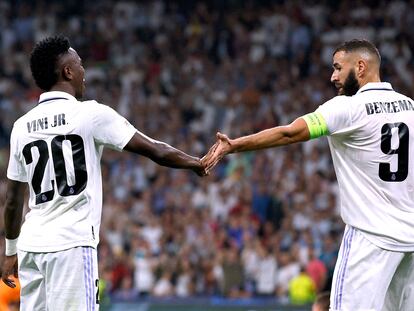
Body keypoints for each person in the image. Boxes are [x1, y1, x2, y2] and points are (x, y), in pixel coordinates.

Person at [1, 35, 210, 310]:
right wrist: (196, 162)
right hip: (71, 245)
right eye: (80, 64)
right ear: (68, 71)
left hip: (31, 247)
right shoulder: (90, 114)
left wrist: (10, 253)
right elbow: (154, 150)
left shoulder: (20, 127)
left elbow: (14, 200)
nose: (84, 71)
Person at [203, 39, 414, 310]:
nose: (333, 76)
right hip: (409, 240)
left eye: (338, 68)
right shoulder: (409, 106)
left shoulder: (346, 108)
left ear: (360, 67)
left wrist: (234, 145)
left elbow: (290, 132)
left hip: (371, 238)